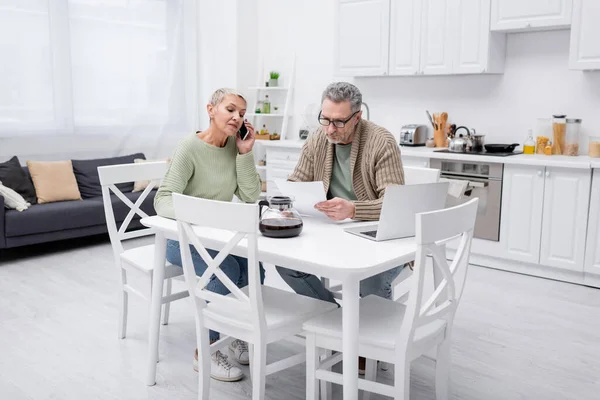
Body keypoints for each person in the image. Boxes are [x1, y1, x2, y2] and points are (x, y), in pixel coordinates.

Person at [275, 82, 405, 373]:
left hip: (377, 235)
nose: (330, 129)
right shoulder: (319, 138)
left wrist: (354, 208)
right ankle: (336, 323)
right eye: (325, 118)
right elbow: (297, 182)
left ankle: (370, 346)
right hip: (330, 232)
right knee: (287, 265)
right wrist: (289, 199)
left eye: (338, 121)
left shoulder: (381, 141)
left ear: (357, 117)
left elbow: (395, 204)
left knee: (368, 280)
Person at [154, 88, 263, 382]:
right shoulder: (189, 148)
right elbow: (162, 200)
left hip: (218, 239)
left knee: (254, 268)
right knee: (225, 270)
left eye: (242, 113)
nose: (237, 117)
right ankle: (207, 350)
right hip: (182, 240)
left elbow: (251, 195)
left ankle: (238, 334)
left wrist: (245, 154)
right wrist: (200, 218)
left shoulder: (234, 147)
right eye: (230, 109)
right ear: (211, 110)